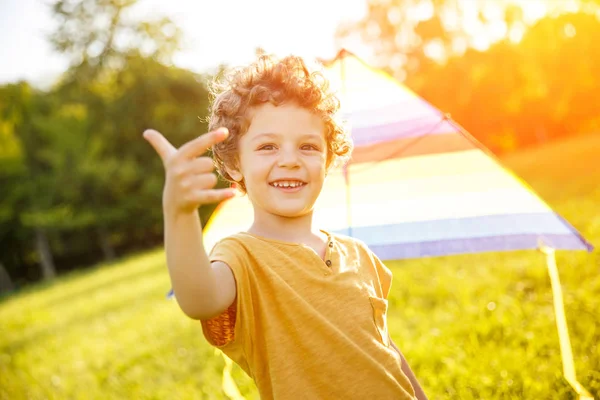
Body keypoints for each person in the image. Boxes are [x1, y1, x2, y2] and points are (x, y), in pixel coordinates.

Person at [144, 54, 427, 400]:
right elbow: (199, 299)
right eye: (268, 147)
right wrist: (179, 213)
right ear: (234, 164)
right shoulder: (241, 257)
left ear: (328, 159)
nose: (290, 160)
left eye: (308, 146)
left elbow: (385, 348)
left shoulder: (358, 254)